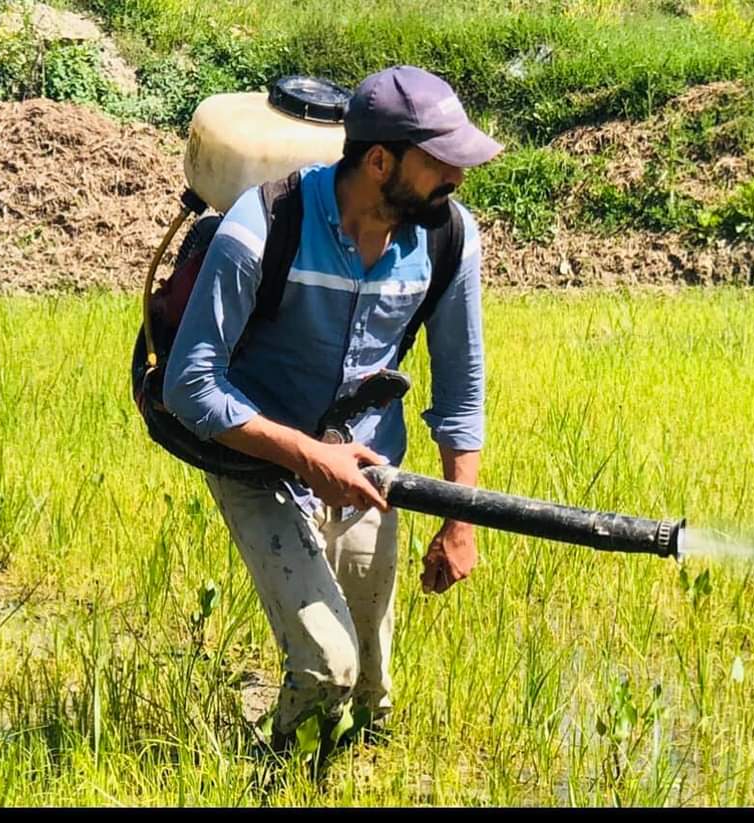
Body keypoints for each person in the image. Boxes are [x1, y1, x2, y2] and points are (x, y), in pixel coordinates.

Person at [162, 64, 503, 749]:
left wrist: (458, 522)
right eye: (442, 162)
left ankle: (334, 775)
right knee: (327, 666)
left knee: (370, 700)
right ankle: (266, 782)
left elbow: (461, 392)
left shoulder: (449, 240)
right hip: (259, 462)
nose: (458, 178)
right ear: (381, 161)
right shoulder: (264, 226)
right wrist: (308, 455)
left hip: (367, 470)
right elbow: (189, 384)